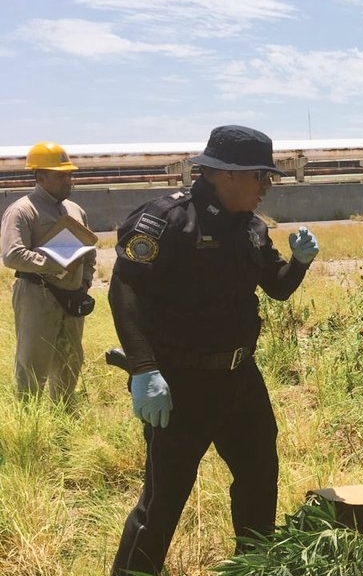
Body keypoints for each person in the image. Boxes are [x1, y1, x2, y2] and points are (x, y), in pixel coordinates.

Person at [109, 125, 320, 575]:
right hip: (179, 385)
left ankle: (253, 567)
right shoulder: (166, 220)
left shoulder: (251, 229)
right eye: (261, 176)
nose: (267, 187)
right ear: (226, 174)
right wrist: (145, 369)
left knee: (259, 479)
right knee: (163, 500)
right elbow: (125, 292)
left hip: (241, 380)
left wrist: (299, 263)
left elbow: (277, 289)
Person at [1, 141, 95, 405]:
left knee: (70, 361)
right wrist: (57, 262)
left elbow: (89, 250)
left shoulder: (75, 210)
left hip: (73, 293)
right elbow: (12, 255)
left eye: (69, 174)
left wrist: (86, 281)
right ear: (40, 177)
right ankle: (29, 424)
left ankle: (62, 416)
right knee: (33, 363)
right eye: (60, 175)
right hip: (36, 296)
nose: (68, 180)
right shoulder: (22, 210)